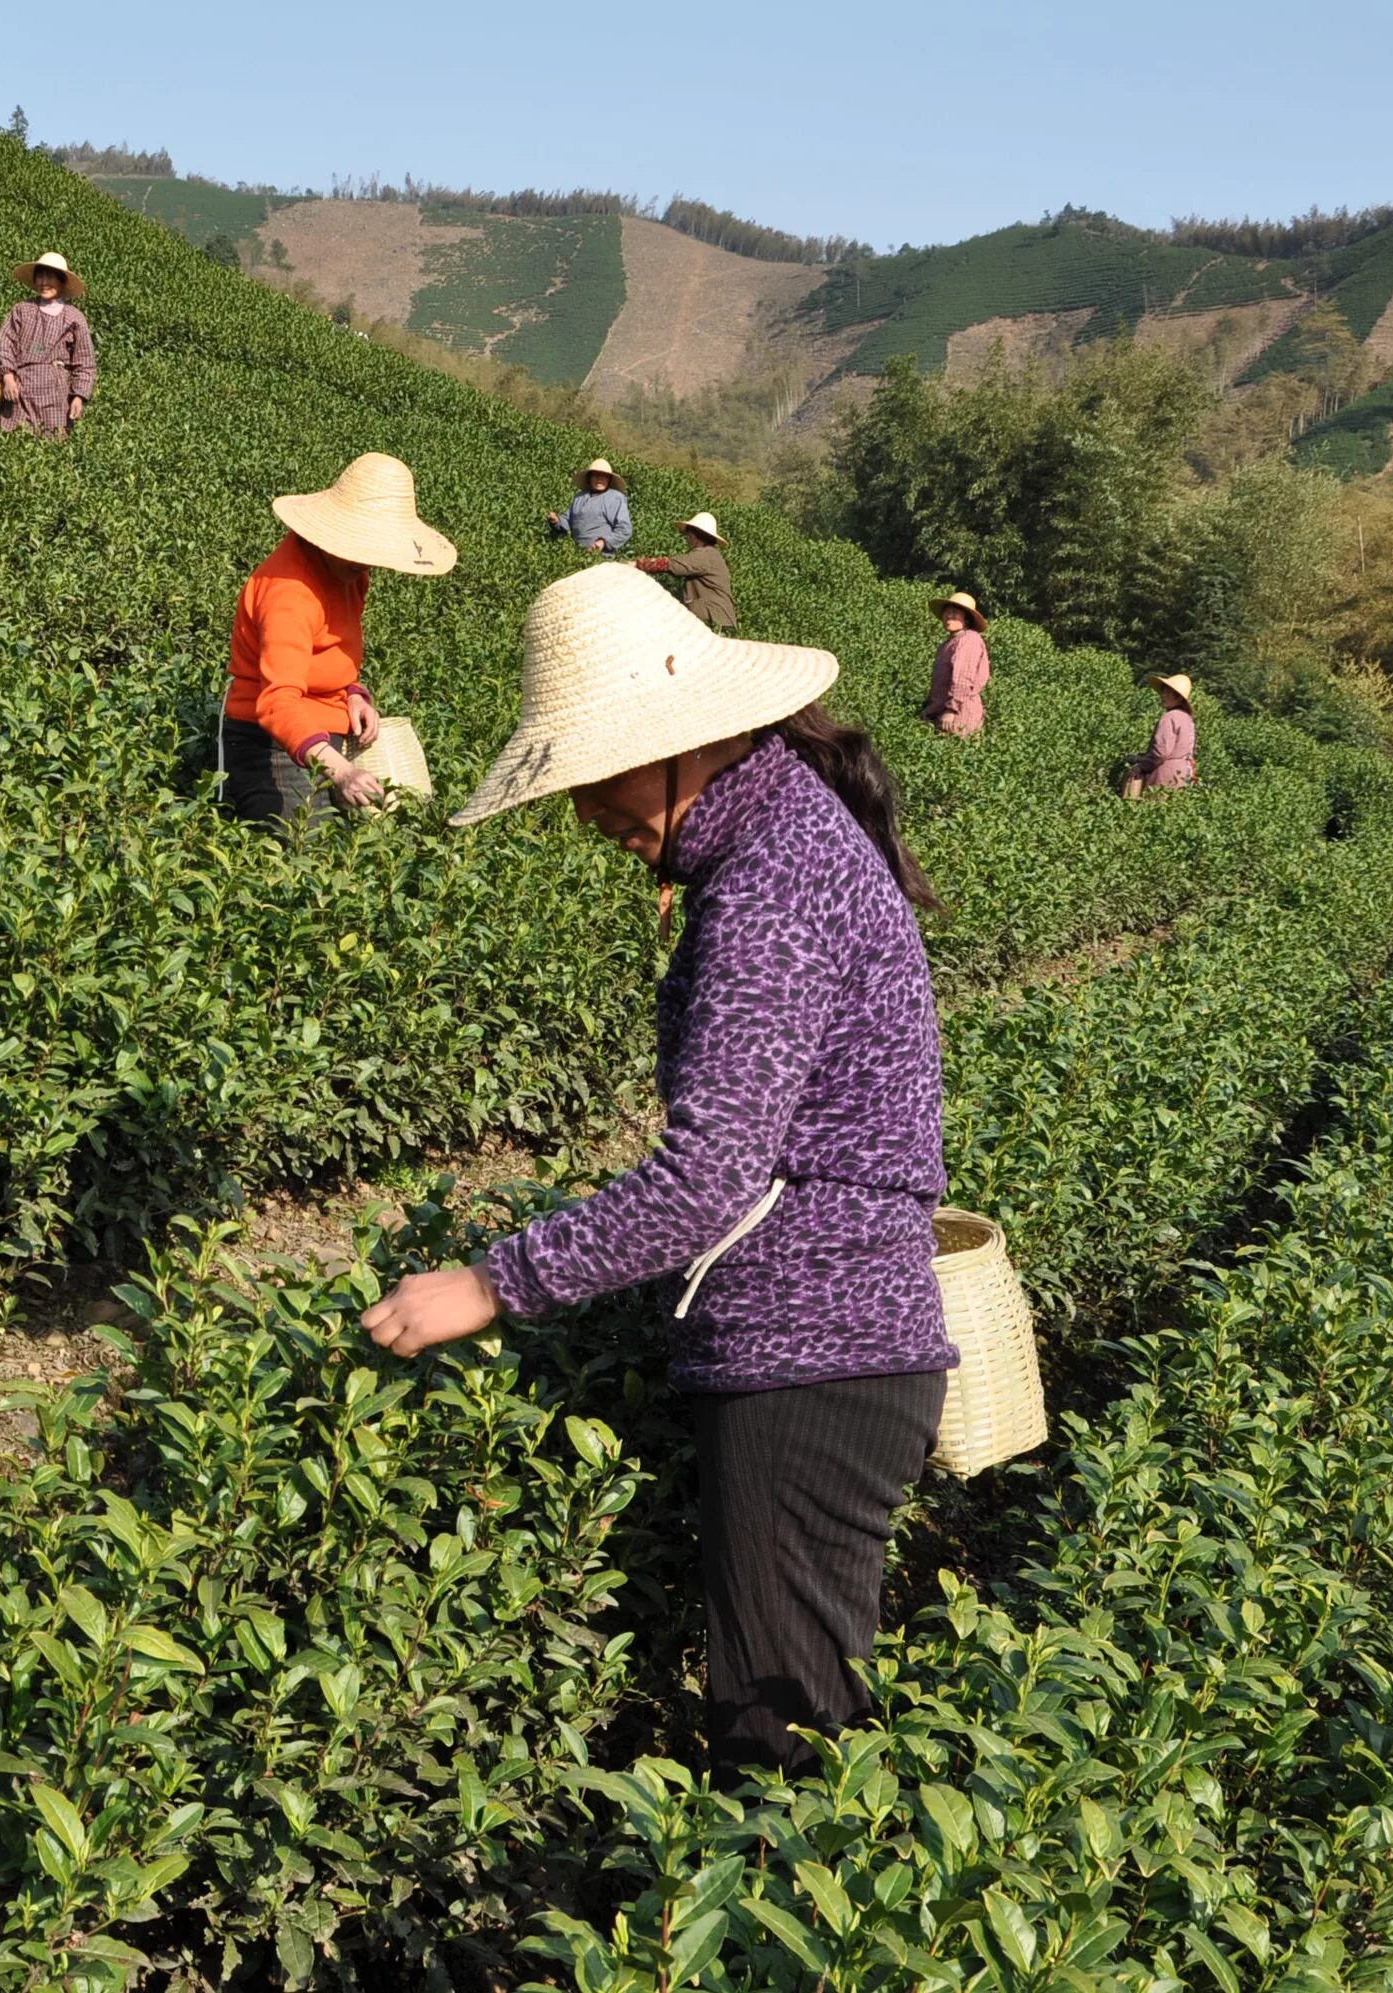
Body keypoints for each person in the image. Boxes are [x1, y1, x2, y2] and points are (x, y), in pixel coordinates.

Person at [363, 563, 952, 1780]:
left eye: (593, 780)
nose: (586, 815)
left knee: (780, 1747)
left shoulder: (771, 882)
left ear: (686, 745)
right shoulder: (783, 839)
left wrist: (493, 1279)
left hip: (815, 1360)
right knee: (794, 1718)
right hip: (835, 1347)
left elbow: (708, 1182)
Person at [220, 453, 458, 824]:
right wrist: (342, 771)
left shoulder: (349, 574)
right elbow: (277, 703)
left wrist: (352, 695)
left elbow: (330, 655)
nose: (367, 564)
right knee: (302, 852)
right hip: (269, 740)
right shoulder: (289, 593)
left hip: (325, 734)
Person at [0, 253, 97, 437]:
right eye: (40, 276)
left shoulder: (74, 318)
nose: (44, 282)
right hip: (20, 391)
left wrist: (79, 396)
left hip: (56, 396)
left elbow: (85, 362)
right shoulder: (22, 310)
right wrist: (8, 377)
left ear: (62, 282)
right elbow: (5, 344)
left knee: (51, 446)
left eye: (50, 277)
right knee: (15, 442)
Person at [635, 511, 737, 630]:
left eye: (688, 534)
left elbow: (671, 564)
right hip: (719, 619)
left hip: (716, 620)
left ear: (695, 536)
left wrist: (638, 564)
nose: (687, 538)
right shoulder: (710, 554)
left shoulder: (704, 555)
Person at [922, 591, 990, 737]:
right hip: (940, 712)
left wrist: (951, 710)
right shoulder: (948, 643)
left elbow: (963, 678)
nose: (948, 616)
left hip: (959, 715)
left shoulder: (969, 640)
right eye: (946, 612)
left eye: (954, 613)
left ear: (966, 619)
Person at [1124, 674, 1198, 797]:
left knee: (1154, 808)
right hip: (1183, 774)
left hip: (1166, 774)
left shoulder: (1169, 717)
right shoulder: (1187, 719)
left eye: (1167, 692)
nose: (1163, 695)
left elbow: (1161, 752)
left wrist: (1141, 766)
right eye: (1163, 691)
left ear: (1178, 697)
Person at [545, 458, 633, 554]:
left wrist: (603, 542)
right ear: (589, 478)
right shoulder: (580, 497)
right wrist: (557, 520)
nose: (599, 479)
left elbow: (625, 529)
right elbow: (568, 520)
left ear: (609, 479)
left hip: (601, 555)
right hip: (576, 553)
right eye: (596, 475)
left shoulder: (615, 498)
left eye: (604, 476)